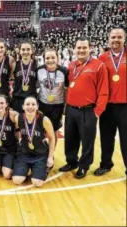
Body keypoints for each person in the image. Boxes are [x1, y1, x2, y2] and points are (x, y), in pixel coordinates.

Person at [59, 37, 109, 179]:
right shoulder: (71, 65)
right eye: (78, 48)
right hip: (71, 109)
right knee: (70, 138)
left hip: (88, 110)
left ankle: (83, 166)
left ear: (90, 48)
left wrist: (97, 112)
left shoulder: (98, 66)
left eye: (84, 48)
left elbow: (103, 91)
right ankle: (71, 162)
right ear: (74, 49)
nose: (81, 50)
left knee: (87, 141)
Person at [94, 28, 127, 176]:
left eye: (119, 37)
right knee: (106, 137)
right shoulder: (102, 58)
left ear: (124, 38)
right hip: (106, 106)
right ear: (108, 39)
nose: (116, 40)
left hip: (125, 106)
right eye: (113, 37)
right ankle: (106, 164)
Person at [12, 96, 55, 187]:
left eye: (33, 104)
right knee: (17, 180)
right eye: (27, 104)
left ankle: (44, 168)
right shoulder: (18, 118)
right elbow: (17, 130)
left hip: (40, 154)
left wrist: (50, 157)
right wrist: (20, 140)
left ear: (37, 106)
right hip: (24, 153)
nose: (30, 107)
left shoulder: (44, 120)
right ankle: (28, 168)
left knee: (37, 183)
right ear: (23, 106)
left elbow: (52, 138)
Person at [37, 48, 68, 146]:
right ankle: (41, 153)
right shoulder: (39, 70)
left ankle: (51, 153)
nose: (50, 60)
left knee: (53, 130)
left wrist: (66, 105)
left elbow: (67, 89)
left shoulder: (64, 71)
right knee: (41, 129)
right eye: (47, 58)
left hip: (57, 105)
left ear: (57, 58)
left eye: (53, 57)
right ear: (44, 59)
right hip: (42, 104)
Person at [10, 41, 38, 113]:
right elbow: (8, 79)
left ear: (32, 51)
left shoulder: (36, 65)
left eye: (28, 49)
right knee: (17, 121)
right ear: (19, 51)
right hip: (17, 99)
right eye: (23, 49)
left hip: (31, 99)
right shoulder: (14, 65)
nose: (26, 52)